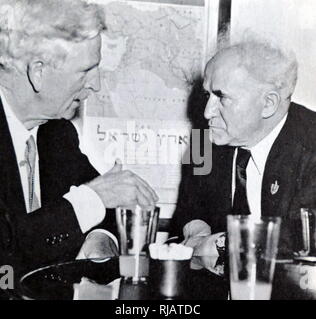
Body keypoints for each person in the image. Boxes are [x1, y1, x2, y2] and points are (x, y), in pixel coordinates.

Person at [0, 0, 158, 285]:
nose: (96, 84)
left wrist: (100, 240)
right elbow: (6, 255)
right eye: (86, 70)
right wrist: (91, 199)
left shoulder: (55, 134)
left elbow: (107, 204)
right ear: (39, 71)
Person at [171, 38, 316, 272]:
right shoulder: (201, 139)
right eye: (207, 95)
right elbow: (187, 209)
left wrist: (220, 245)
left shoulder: (311, 146)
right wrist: (197, 230)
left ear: (268, 104)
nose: (207, 112)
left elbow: (303, 241)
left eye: (222, 97)